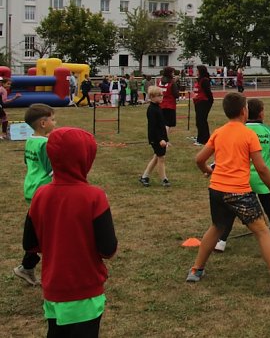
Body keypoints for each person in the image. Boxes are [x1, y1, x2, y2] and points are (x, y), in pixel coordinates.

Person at [187, 92, 270, 295]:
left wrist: (208, 171)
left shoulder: (219, 132)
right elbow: (262, 168)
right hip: (238, 192)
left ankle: (196, 269)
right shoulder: (249, 134)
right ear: (243, 111)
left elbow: (198, 159)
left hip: (216, 190)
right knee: (263, 231)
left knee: (217, 227)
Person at [23, 127, 118, 337]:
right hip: (85, 290)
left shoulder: (40, 195)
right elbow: (108, 249)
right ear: (86, 157)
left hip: (53, 289)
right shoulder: (94, 197)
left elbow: (29, 244)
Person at [215, 98, 270, 252]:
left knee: (232, 211)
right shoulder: (269, 131)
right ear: (261, 113)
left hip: (243, 179)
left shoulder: (240, 130)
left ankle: (221, 241)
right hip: (263, 180)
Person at [13, 103, 57, 286]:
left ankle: (27, 267)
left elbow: (28, 162)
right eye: (53, 119)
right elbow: (51, 170)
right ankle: (36, 268)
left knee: (38, 229)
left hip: (31, 188)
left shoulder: (30, 140)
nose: (56, 122)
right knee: (47, 232)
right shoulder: (46, 144)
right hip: (43, 191)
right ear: (43, 123)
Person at [139, 86, 170, 187]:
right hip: (155, 138)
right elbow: (154, 127)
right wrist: (160, 139)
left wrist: (166, 139)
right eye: (159, 96)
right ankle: (164, 179)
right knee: (161, 158)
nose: (161, 98)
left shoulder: (157, 108)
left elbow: (161, 125)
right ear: (152, 97)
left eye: (162, 95)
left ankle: (144, 176)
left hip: (161, 138)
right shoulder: (151, 110)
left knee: (157, 157)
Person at [193, 65, 214, 146]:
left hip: (204, 102)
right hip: (198, 102)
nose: (196, 72)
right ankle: (201, 137)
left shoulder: (204, 80)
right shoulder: (198, 80)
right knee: (199, 121)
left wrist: (210, 101)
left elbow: (208, 92)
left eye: (197, 70)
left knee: (201, 121)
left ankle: (203, 139)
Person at [157, 67, 179, 136]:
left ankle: (162, 138)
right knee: (168, 124)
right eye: (172, 72)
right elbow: (176, 94)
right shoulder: (172, 82)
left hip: (160, 104)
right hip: (170, 105)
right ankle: (165, 139)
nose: (173, 74)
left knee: (162, 123)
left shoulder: (159, 81)